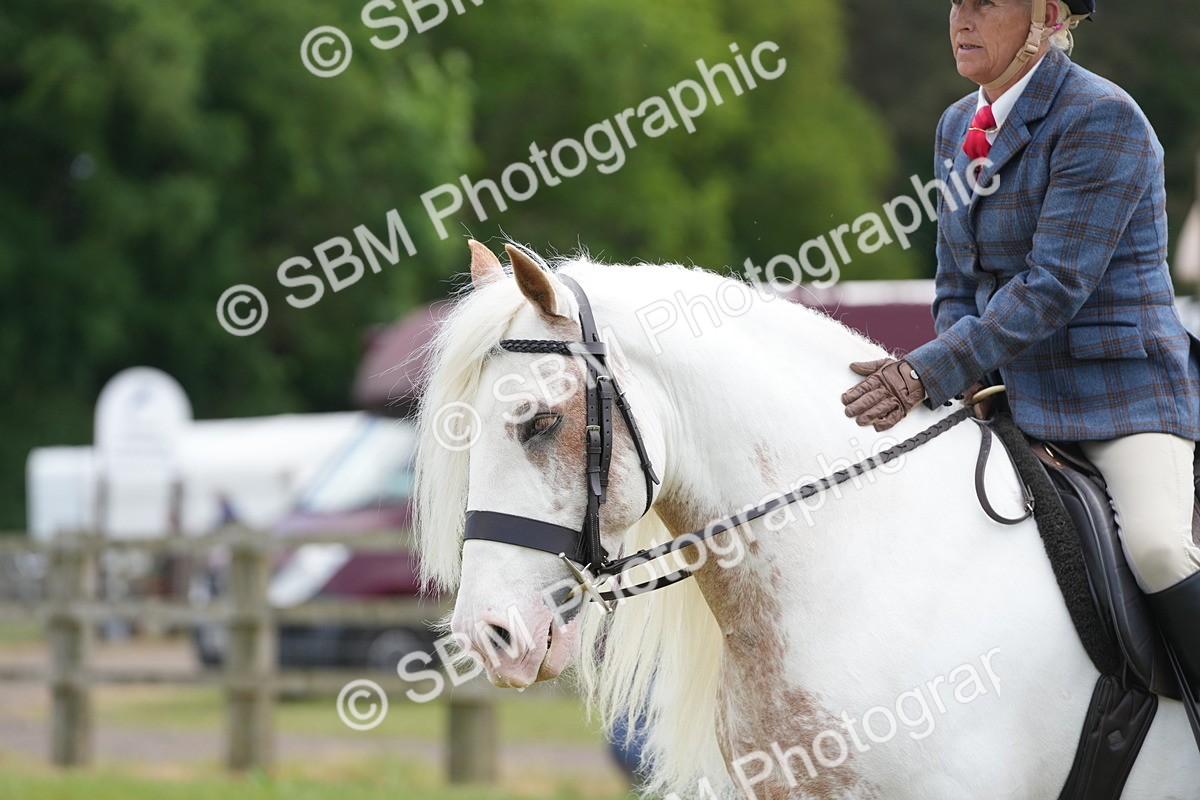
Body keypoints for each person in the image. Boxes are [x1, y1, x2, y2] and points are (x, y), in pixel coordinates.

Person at [840, 0, 1200, 695]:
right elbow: (955, 284)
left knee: (1158, 548)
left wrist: (926, 371)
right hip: (1010, 394)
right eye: (957, 4)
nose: (962, 19)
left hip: (1121, 396)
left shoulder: (1103, 118)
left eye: (986, 3)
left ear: (1048, 18)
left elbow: (1053, 286)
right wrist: (952, 370)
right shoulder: (957, 126)